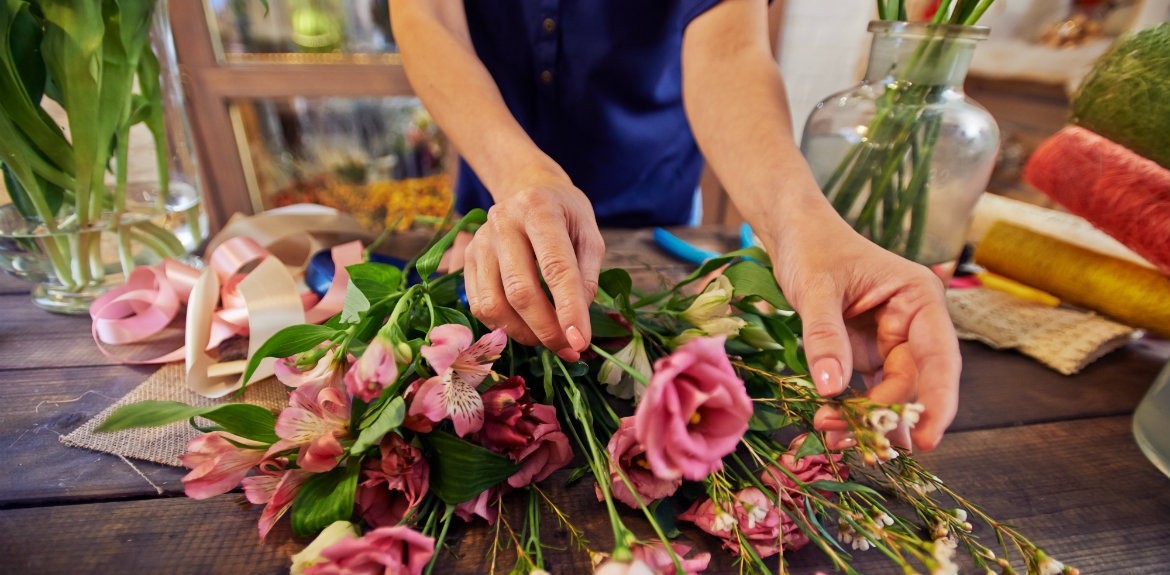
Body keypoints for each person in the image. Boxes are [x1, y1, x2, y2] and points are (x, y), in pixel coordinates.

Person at [389, 0, 961, 452]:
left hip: (652, 206)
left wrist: (803, 227)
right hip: (496, 213)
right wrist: (520, 176)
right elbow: (425, 15)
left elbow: (730, 48)